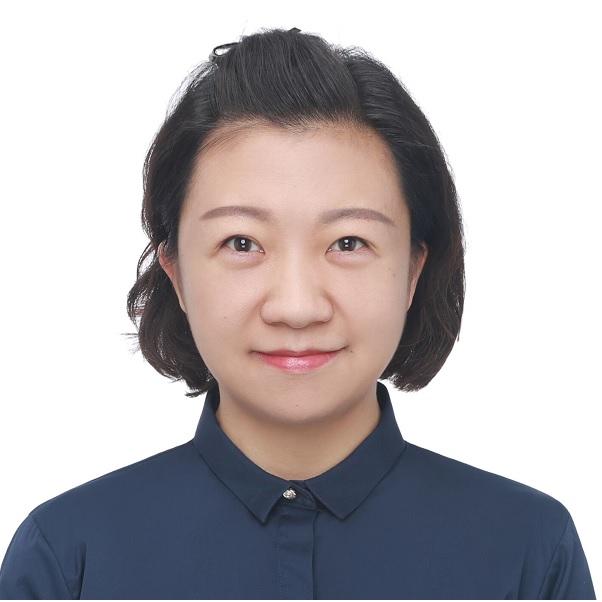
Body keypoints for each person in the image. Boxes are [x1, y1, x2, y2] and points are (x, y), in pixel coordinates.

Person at [0, 26, 595, 600]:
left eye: (348, 243)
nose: (297, 307)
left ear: (414, 269)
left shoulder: (528, 549)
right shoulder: (68, 556)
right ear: (175, 271)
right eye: (241, 243)